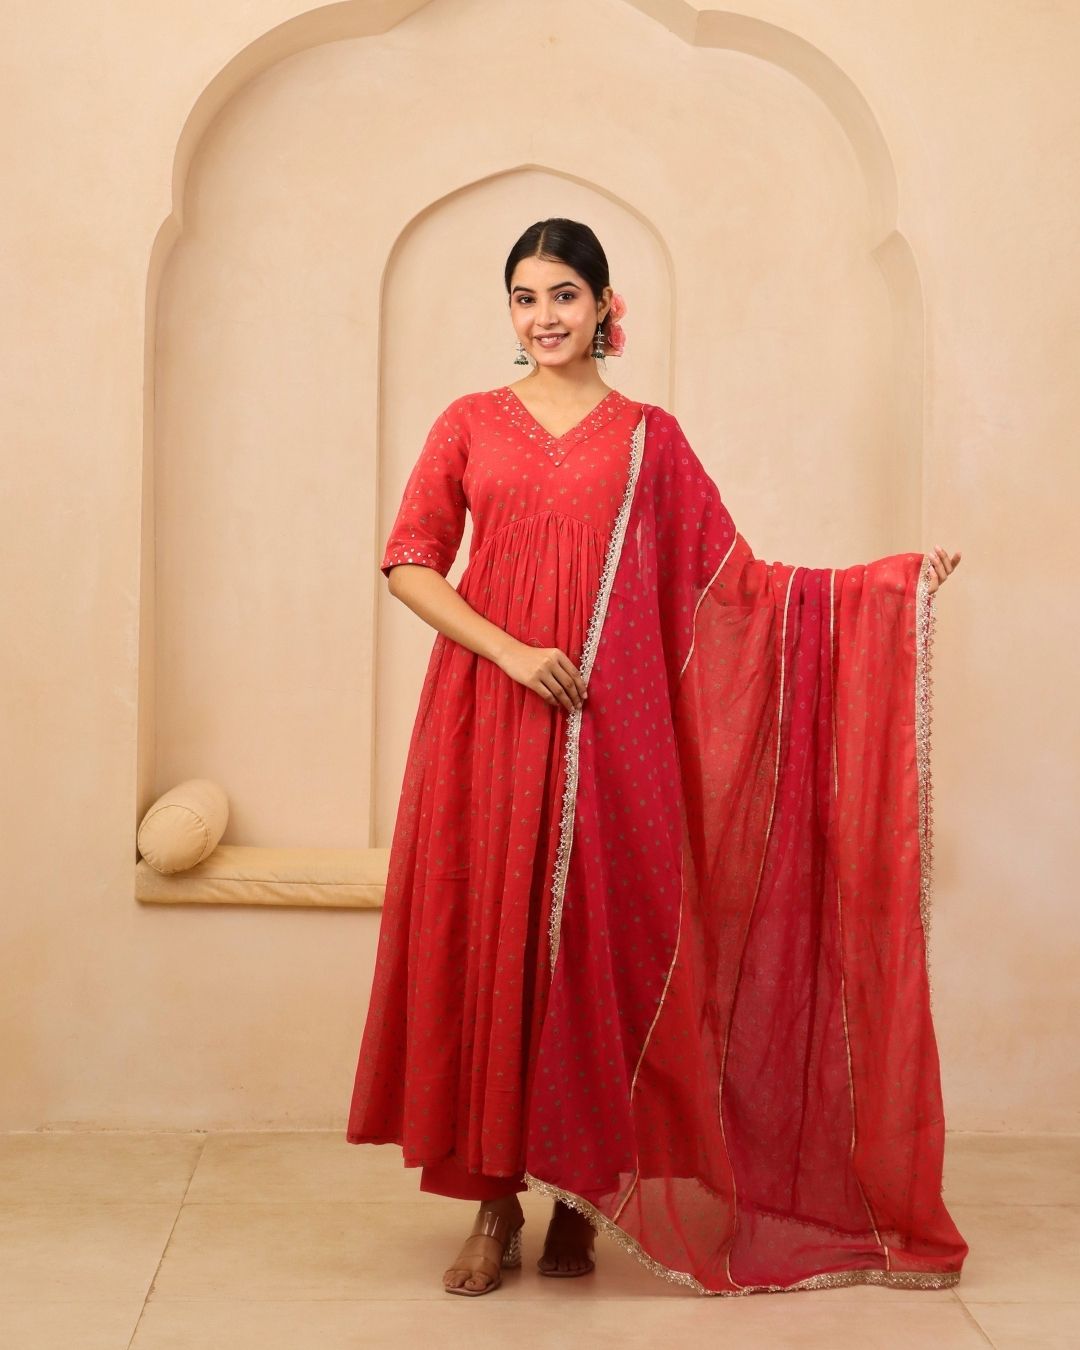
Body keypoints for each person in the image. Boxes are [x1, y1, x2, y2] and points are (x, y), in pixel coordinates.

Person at [346, 217, 965, 1298]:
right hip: (488, 717)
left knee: (603, 951)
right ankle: (494, 1204)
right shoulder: (470, 423)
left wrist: (881, 587)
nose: (544, 317)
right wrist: (512, 651)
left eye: (565, 296)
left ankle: (580, 1197)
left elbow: (738, 584)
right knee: (494, 943)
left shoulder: (650, 439)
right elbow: (409, 562)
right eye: (526, 298)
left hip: (612, 727)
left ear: (604, 306)